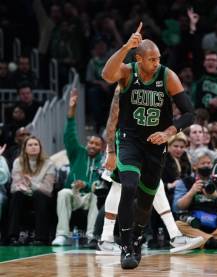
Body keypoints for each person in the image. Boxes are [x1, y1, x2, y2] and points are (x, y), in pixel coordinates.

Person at [101, 22, 194, 269]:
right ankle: (125, 244)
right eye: (151, 59)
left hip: (156, 145)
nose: (156, 62)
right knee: (128, 186)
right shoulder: (128, 72)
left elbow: (189, 113)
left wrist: (169, 132)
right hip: (130, 140)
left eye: (158, 58)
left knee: (145, 198)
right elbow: (107, 75)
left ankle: (138, 237)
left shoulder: (167, 76)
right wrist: (125, 47)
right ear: (139, 58)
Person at [98, 86, 202, 254]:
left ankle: (175, 236)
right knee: (119, 186)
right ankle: (106, 238)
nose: (155, 62)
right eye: (151, 58)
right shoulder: (126, 82)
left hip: (144, 145)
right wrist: (111, 151)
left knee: (156, 185)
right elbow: (112, 119)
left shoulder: (159, 83)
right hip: (125, 142)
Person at [51, 89, 104, 247]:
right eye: (90, 142)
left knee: (97, 194)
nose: (92, 145)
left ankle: (91, 235)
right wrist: (71, 112)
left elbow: (99, 182)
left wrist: (86, 185)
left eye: (96, 144)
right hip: (74, 194)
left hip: (89, 196)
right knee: (63, 192)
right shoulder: (77, 153)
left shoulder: (103, 160)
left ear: (101, 148)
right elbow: (69, 136)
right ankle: (62, 235)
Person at [173, 148, 217, 249]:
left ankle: (205, 241)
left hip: (216, 224)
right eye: (203, 163)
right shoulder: (185, 182)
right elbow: (177, 207)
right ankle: (214, 242)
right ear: (195, 166)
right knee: (177, 225)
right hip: (194, 224)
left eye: (209, 163)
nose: (206, 166)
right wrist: (191, 192)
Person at [8, 136, 55, 245]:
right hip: (24, 195)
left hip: (43, 197)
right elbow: (14, 187)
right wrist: (28, 188)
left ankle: (41, 238)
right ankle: (12, 237)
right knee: (17, 195)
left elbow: (47, 189)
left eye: (35, 144)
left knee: (39, 194)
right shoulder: (18, 162)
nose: (33, 147)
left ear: (40, 147)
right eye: (30, 145)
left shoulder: (49, 164)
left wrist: (31, 183)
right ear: (24, 148)